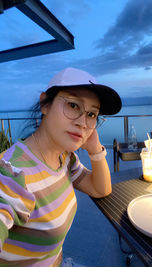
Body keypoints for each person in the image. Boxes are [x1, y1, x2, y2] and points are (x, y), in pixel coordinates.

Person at [0, 67, 122, 266]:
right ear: (44, 104)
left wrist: (95, 150)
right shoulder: (12, 174)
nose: (83, 123)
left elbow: (100, 189)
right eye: (73, 105)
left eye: (92, 114)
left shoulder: (65, 158)